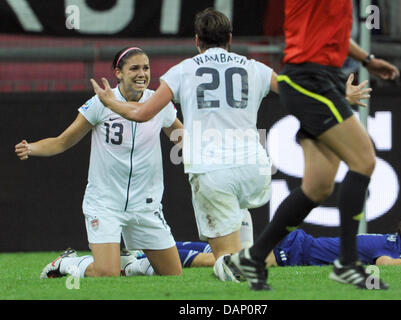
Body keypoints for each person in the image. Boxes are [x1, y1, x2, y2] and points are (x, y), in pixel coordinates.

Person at [89, 8, 371, 279]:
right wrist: (341, 97)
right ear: (230, 39)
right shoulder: (254, 67)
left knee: (224, 260)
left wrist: (111, 102)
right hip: (255, 170)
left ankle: (233, 267)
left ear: (197, 40)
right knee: (241, 238)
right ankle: (247, 260)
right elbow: (299, 93)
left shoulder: (182, 71)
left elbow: (141, 113)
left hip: (213, 171)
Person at [224, 0, 400, 290]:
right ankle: (347, 262)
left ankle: (255, 257)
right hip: (308, 78)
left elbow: (338, 35)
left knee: (318, 186)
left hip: (321, 79)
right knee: (364, 159)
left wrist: (368, 61)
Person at [15, 47, 184, 279]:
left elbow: (181, 137)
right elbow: (63, 141)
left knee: (173, 274)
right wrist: (31, 148)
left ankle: (129, 265)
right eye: (134, 68)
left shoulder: (158, 103)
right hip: (105, 203)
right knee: (106, 274)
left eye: (146, 68)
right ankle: (67, 264)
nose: (142, 73)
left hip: (146, 203)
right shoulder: (100, 102)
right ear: (119, 73)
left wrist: (205, 152)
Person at [133, 212, 401, 275]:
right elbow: (386, 265)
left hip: (296, 245)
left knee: (224, 255)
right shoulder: (391, 249)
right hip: (294, 251)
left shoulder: (390, 241)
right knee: (220, 261)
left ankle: (156, 248)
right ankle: (148, 258)